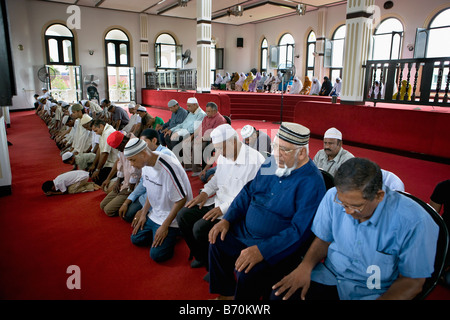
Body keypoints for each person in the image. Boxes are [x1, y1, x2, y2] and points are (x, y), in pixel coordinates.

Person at [272, 158, 439, 300]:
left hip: (374, 292)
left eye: (356, 206)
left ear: (379, 196)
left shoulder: (415, 222)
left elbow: (413, 282)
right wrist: (305, 267)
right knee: (279, 296)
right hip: (331, 276)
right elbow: (323, 239)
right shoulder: (332, 196)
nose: (347, 211)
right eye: (343, 204)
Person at [208, 122, 326, 300]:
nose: (277, 153)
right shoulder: (273, 162)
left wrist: (263, 250)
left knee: (248, 272)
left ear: (302, 152)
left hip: (276, 245)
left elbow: (299, 231)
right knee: (217, 240)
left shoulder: (311, 182)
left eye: (284, 150)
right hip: (245, 233)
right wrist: (228, 219)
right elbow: (248, 191)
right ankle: (227, 294)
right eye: (276, 146)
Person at [177, 124, 265, 271]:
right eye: (216, 148)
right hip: (218, 202)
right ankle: (202, 257)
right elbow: (217, 179)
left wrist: (222, 209)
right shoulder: (225, 155)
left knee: (200, 228)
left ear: (234, 142)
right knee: (183, 215)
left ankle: (213, 266)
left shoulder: (255, 160)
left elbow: (247, 197)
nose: (219, 153)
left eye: (221, 148)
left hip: (238, 211)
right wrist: (205, 193)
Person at [124, 138, 193, 263]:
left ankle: (177, 232)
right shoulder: (145, 165)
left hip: (173, 216)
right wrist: (144, 213)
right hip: (157, 213)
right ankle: (163, 234)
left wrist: (165, 226)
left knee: (157, 255)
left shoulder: (167, 166)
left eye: (132, 160)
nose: (131, 164)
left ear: (144, 154)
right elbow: (150, 191)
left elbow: (182, 199)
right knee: (136, 239)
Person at [118, 128, 178, 223]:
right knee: (127, 214)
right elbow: (144, 182)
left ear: (154, 140)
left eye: (144, 142)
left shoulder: (164, 156)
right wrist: (128, 200)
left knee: (130, 216)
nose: (142, 146)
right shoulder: (147, 157)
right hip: (148, 195)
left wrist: (144, 211)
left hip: (162, 201)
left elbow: (160, 190)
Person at [100, 131, 141, 217]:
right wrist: (118, 182)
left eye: (119, 148)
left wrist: (129, 189)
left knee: (108, 210)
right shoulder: (123, 147)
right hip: (125, 183)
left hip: (135, 185)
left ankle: (130, 203)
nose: (119, 150)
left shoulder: (134, 145)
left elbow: (136, 171)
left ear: (123, 142)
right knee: (102, 205)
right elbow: (121, 165)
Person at [188, 102, 227, 176]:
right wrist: (193, 136)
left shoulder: (220, 119)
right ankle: (191, 165)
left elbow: (215, 134)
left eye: (208, 111)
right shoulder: (206, 117)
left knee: (196, 146)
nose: (207, 113)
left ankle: (197, 169)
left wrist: (202, 139)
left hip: (212, 141)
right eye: (206, 111)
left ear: (215, 111)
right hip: (202, 138)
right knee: (188, 143)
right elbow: (200, 128)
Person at [429, 179, 450, 276]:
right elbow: (432, 217)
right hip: (445, 236)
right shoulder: (444, 186)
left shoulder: (443, 186)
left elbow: (432, 217)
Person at [89, 119, 118, 185]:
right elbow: (100, 149)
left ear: (101, 126)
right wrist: (94, 165)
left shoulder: (107, 133)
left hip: (113, 164)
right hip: (107, 162)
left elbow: (105, 154)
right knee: (91, 172)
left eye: (96, 131)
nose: (96, 133)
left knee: (97, 179)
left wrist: (97, 170)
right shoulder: (103, 132)